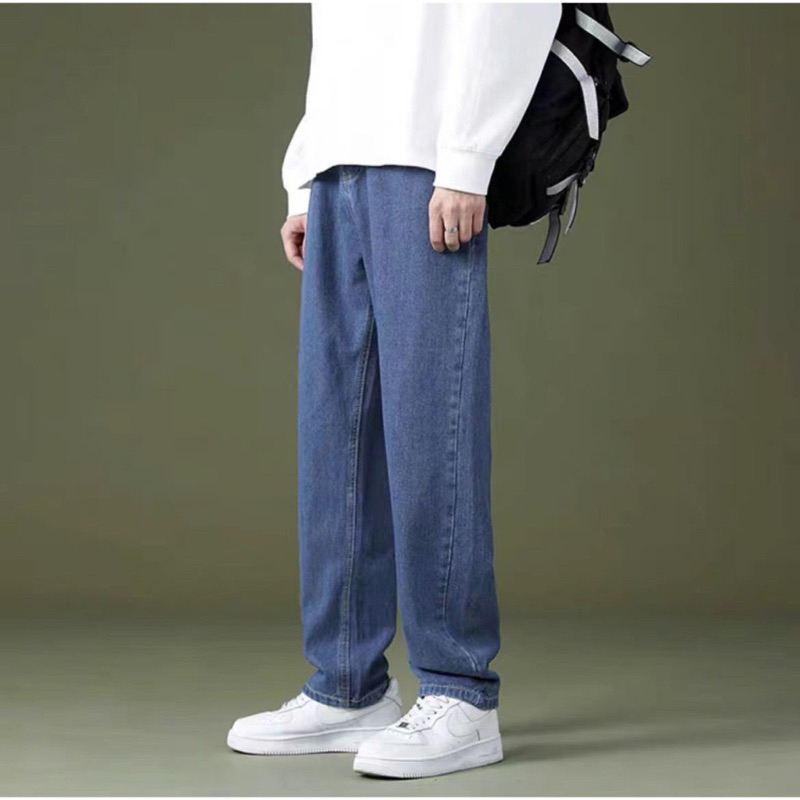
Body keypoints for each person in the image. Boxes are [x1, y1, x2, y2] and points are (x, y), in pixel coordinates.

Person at [227, 1, 562, 779]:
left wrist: (468, 156)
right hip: (341, 165)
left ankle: (460, 692)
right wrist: (307, 175)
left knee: (430, 427)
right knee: (334, 434)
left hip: (427, 157)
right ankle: (347, 685)